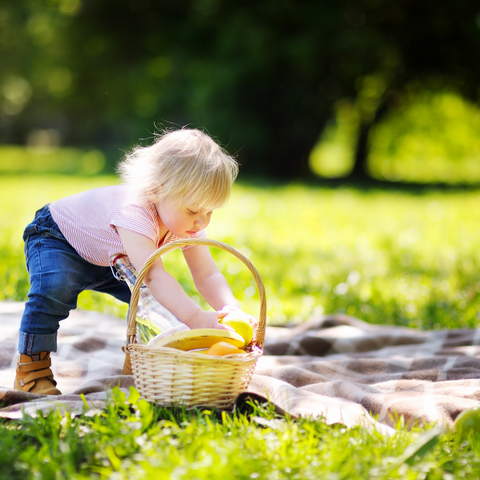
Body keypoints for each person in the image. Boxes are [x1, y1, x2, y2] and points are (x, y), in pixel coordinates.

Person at [15, 127, 254, 395]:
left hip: (110, 256)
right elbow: (153, 275)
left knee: (155, 307)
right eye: (193, 210)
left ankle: (140, 364)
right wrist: (196, 317)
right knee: (54, 290)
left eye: (210, 211)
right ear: (157, 190)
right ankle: (32, 368)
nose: (201, 221)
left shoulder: (188, 222)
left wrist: (231, 308)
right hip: (58, 238)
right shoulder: (135, 211)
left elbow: (206, 274)